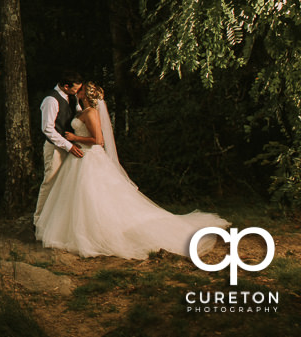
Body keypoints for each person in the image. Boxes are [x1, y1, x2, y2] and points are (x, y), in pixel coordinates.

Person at [34, 82, 229, 258]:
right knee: (76, 196)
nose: (78, 90)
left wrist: (75, 139)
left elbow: (99, 141)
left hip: (89, 158)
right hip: (79, 158)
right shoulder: (80, 109)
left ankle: (95, 232)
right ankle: (69, 229)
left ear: (86, 94)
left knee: (91, 196)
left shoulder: (91, 113)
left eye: (81, 89)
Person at [33, 72, 84, 228]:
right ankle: (39, 221)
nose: (78, 92)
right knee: (50, 182)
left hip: (71, 146)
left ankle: (58, 220)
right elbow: (47, 129)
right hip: (56, 148)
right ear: (65, 86)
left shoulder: (72, 97)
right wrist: (68, 146)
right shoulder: (51, 100)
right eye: (76, 89)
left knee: (67, 183)